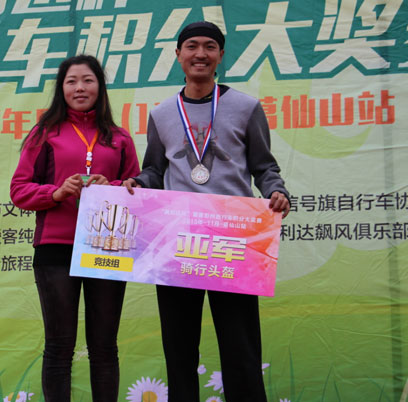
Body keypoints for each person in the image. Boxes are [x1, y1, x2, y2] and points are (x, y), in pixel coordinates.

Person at [123, 21, 290, 402]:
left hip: (235, 239)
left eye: (210, 46)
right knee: (179, 344)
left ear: (220, 55)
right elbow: (154, 170)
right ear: (178, 55)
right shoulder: (162, 113)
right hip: (178, 240)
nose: (200, 53)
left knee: (240, 344)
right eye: (192, 46)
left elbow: (264, 167)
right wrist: (140, 183)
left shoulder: (246, 107)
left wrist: (276, 191)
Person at [10, 54, 140, 402]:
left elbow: (137, 189)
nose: (80, 88)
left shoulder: (120, 138)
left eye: (88, 80)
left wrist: (113, 187)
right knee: (59, 347)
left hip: (107, 246)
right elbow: (19, 190)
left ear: (100, 86)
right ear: (62, 88)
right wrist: (56, 192)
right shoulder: (44, 133)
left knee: (104, 347)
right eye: (71, 81)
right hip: (56, 247)